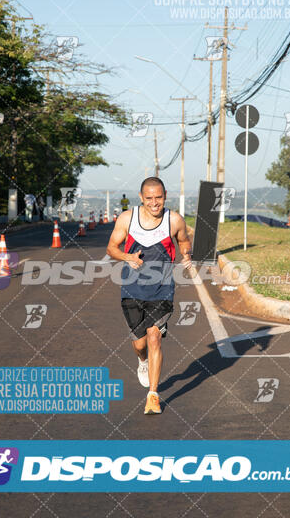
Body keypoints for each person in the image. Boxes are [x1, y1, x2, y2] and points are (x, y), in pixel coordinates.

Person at [107, 177, 192, 415]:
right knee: (139, 343)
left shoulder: (173, 220)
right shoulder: (127, 218)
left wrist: (186, 254)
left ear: (165, 195)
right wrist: (128, 258)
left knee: (154, 337)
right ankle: (142, 361)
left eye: (159, 197)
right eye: (149, 198)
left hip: (162, 288)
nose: (155, 203)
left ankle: (153, 395)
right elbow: (111, 248)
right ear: (141, 197)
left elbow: (184, 241)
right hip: (132, 288)